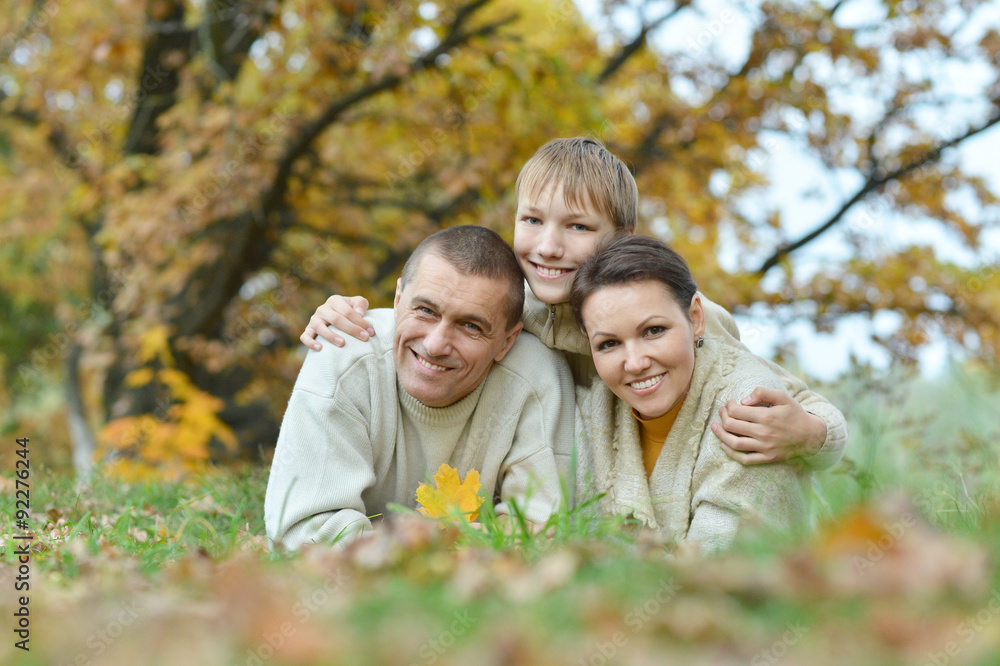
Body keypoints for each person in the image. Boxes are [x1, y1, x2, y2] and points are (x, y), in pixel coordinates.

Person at [299, 137, 848, 470]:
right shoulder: (515, 313)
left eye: (578, 227)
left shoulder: (674, 319)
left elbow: (780, 392)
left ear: (622, 235)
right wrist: (345, 312)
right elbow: (431, 311)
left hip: (691, 478)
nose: (548, 246)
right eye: (532, 220)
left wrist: (812, 435)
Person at [264, 226, 574, 550]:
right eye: (426, 310)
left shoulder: (536, 378)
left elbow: (543, 534)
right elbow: (302, 532)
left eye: (471, 325)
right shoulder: (343, 353)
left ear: (507, 341)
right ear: (398, 301)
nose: (436, 344)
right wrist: (452, 549)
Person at [570, 234, 811, 551]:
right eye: (609, 343)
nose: (636, 363)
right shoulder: (594, 413)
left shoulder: (747, 402)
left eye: (653, 330)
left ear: (696, 318)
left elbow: (718, 557)